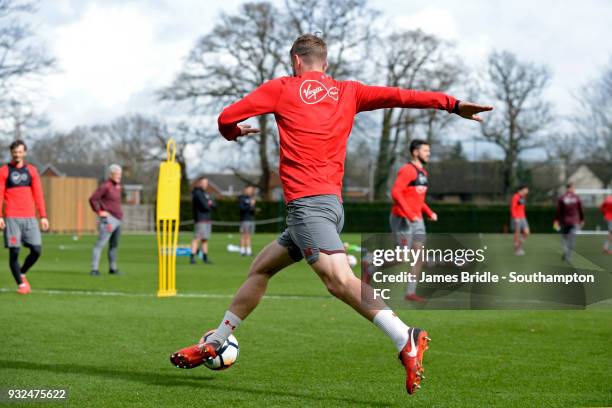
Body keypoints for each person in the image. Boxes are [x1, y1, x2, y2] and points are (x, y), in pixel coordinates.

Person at [170, 34, 492, 395]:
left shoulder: (281, 88)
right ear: (325, 63)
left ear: (295, 60)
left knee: (338, 280)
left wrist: (232, 134)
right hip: (327, 209)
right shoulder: (348, 91)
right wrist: (452, 104)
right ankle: (216, 339)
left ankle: (406, 337)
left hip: (308, 207)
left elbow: (227, 117)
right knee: (260, 269)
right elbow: (402, 95)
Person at [390, 139, 437, 302]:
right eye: (425, 151)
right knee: (401, 257)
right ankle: (370, 264)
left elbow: (417, 198)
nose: (428, 154)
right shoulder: (407, 170)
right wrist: (410, 214)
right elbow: (396, 193)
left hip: (417, 220)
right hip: (403, 218)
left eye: (428, 151)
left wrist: (429, 212)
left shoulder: (423, 173)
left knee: (419, 257)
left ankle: (410, 293)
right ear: (415, 152)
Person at [0, 140, 49, 294]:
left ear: (25, 153)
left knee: (36, 250)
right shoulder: (4, 171)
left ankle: (22, 272)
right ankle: (21, 284)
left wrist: (43, 216)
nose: (17, 155)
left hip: (29, 217)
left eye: (20, 152)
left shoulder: (32, 171)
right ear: (11, 153)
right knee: (14, 252)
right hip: (12, 217)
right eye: (15, 152)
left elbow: (38, 194)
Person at [89, 164, 123, 276]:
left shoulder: (118, 186)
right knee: (100, 244)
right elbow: (93, 199)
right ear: (111, 174)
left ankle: (112, 268)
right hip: (109, 220)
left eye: (120, 174)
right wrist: (99, 212)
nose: (119, 176)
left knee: (114, 245)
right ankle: (94, 269)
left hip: (118, 220)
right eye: (117, 174)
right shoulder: (106, 186)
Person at [554, 183, 584, 262]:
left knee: (564, 238)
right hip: (574, 221)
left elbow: (558, 211)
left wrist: (556, 220)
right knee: (572, 239)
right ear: (571, 188)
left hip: (564, 221)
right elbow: (580, 210)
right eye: (574, 188)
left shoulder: (562, 198)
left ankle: (565, 251)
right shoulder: (576, 198)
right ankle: (569, 256)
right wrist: (582, 219)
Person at [191, 177, 215, 264]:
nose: (206, 184)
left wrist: (210, 203)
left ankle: (205, 258)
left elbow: (214, 205)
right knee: (197, 238)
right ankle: (192, 258)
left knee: (205, 239)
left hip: (207, 219)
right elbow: (204, 205)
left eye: (207, 183)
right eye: (204, 182)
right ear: (199, 183)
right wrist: (209, 203)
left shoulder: (206, 193)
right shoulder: (197, 193)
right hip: (200, 219)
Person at [510, 185, 530, 256]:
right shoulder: (516, 196)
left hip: (523, 217)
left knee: (527, 232)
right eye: (526, 189)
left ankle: (519, 245)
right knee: (517, 234)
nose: (527, 191)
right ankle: (517, 250)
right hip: (517, 218)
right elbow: (513, 208)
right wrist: (515, 218)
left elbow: (521, 207)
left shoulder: (523, 197)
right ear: (522, 189)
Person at [238, 185, 256, 256]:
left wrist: (254, 208)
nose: (250, 191)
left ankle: (248, 251)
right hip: (245, 219)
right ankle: (242, 251)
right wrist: (250, 204)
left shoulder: (252, 198)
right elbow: (242, 208)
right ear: (245, 190)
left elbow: (252, 209)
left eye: (251, 190)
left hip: (251, 219)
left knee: (249, 236)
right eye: (249, 189)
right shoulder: (242, 198)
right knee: (243, 235)